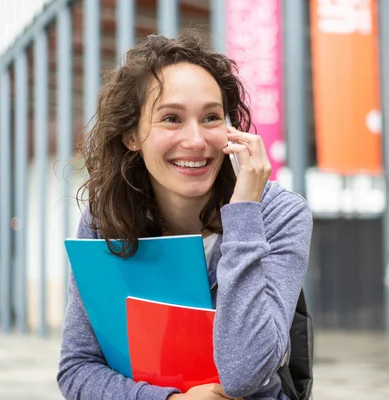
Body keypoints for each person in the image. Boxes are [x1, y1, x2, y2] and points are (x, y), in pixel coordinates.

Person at [57, 29, 313, 400]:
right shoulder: (105, 218)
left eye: (211, 118)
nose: (195, 140)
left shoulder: (278, 214)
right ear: (132, 135)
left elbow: (244, 373)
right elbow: (78, 368)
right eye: (171, 119)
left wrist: (243, 213)